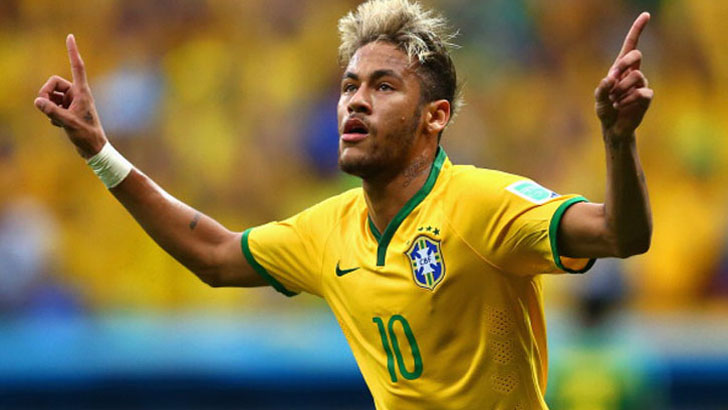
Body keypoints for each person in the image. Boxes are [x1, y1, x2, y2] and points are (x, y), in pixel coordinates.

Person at [33, 0, 653, 408]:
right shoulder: (328, 229)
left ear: (435, 117)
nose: (356, 100)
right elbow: (215, 255)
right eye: (350, 85)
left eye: (384, 86)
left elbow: (620, 235)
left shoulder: (482, 204)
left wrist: (618, 140)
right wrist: (99, 151)